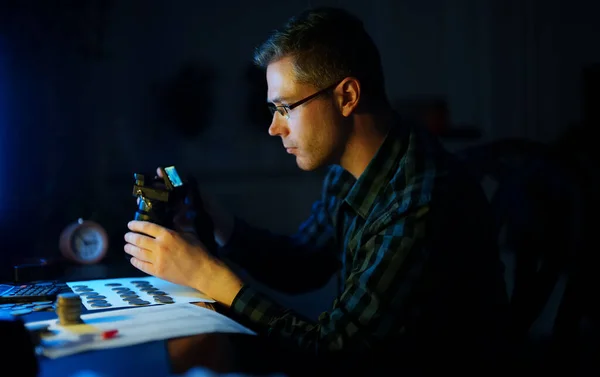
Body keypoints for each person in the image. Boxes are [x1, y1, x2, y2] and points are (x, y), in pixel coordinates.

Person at [124, 7, 508, 375]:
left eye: (286, 107)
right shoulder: (353, 170)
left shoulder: (420, 204)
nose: (275, 128)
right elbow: (303, 263)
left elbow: (336, 354)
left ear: (347, 96)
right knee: (200, 349)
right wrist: (219, 221)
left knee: (201, 354)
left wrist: (209, 277)